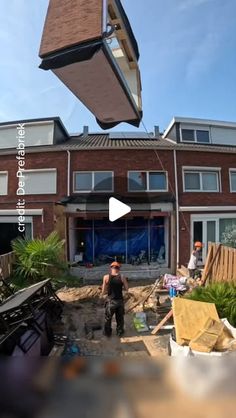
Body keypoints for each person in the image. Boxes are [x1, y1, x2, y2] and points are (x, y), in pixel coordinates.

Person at [101, 261, 129, 337]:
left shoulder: (106, 277)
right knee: (120, 318)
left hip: (110, 302)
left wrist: (104, 294)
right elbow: (127, 289)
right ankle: (119, 332)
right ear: (119, 269)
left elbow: (103, 291)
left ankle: (107, 333)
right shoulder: (122, 277)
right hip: (119, 301)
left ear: (111, 268)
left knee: (108, 318)